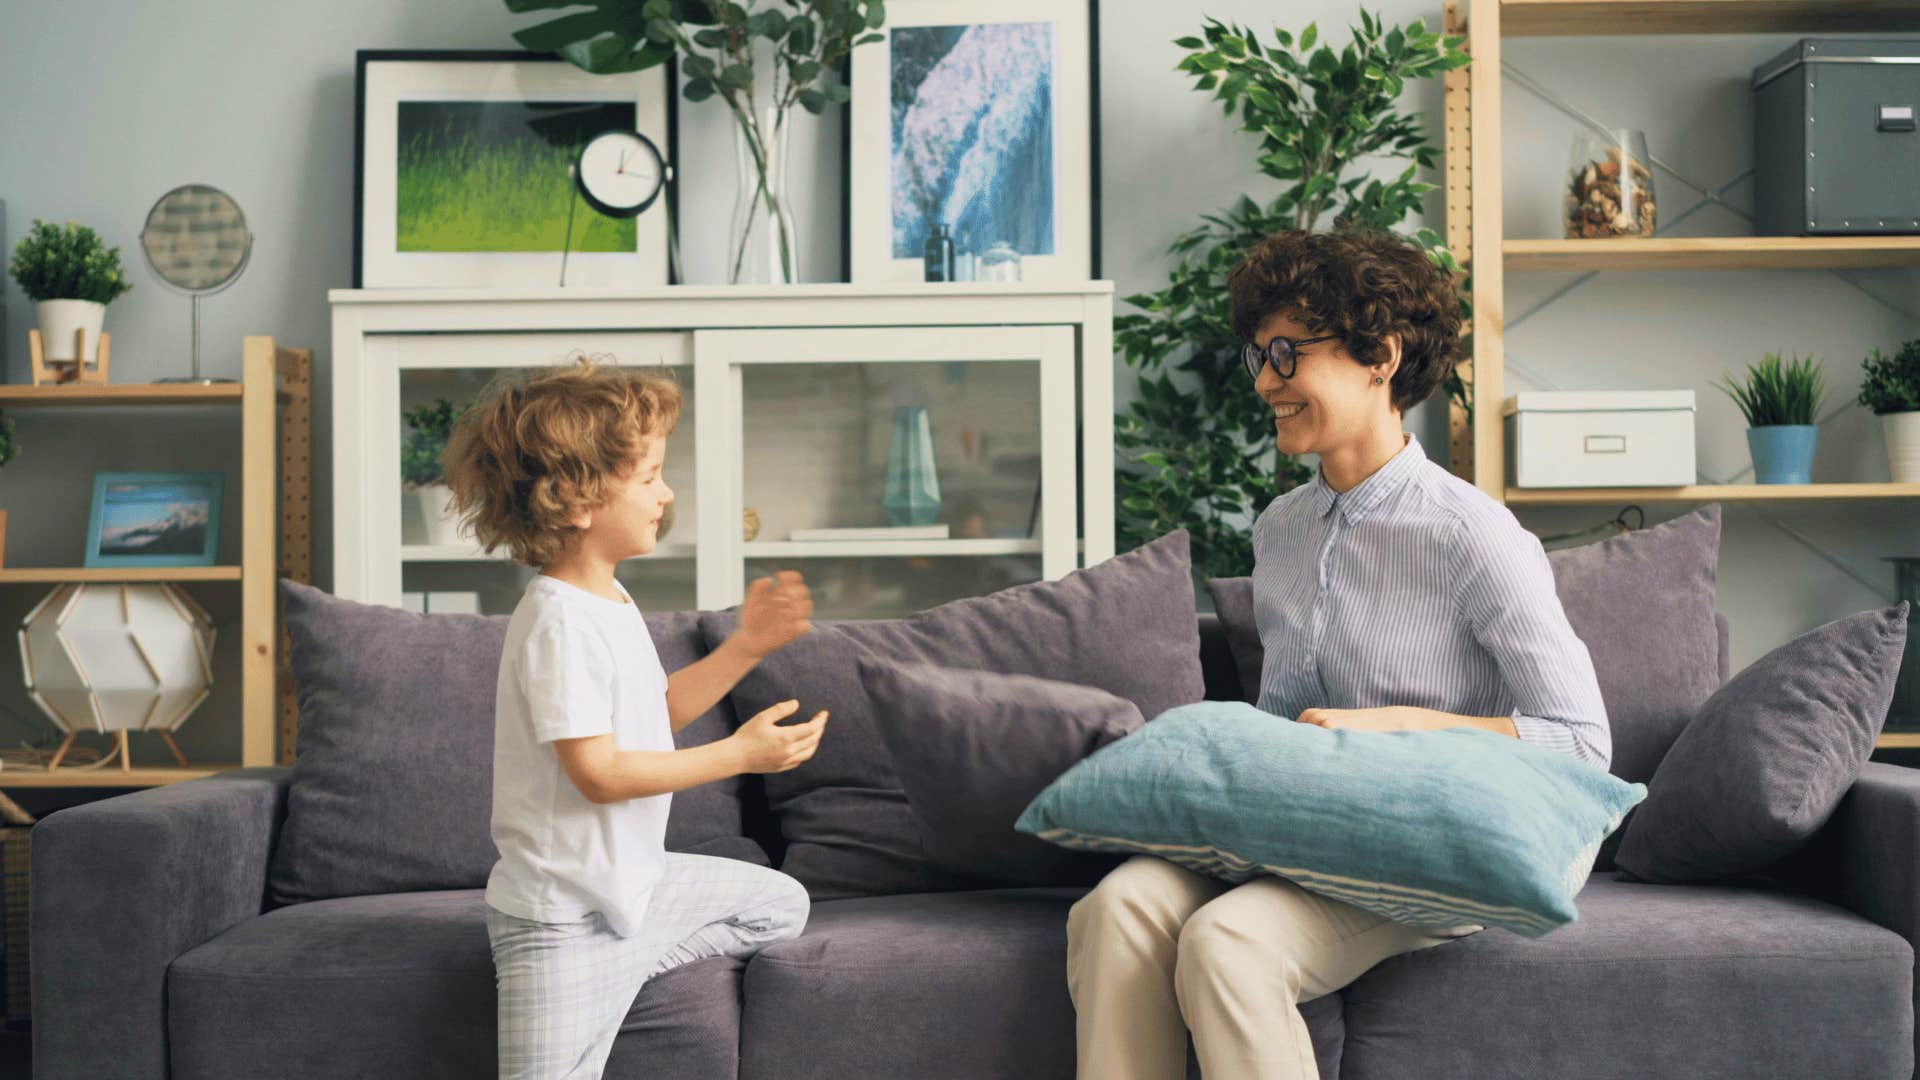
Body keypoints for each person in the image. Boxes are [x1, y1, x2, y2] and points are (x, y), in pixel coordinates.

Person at [1066, 229, 1609, 1080]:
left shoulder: (1472, 534)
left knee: (1228, 942)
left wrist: (1396, 727)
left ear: (1380, 356)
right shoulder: (1280, 530)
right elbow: (1288, 724)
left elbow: (1582, 744)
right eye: (1257, 355)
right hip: (1316, 822)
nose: (1266, 381)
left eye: (1287, 353)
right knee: (1117, 907)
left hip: (1449, 831)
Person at [443, 359, 830, 1079]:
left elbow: (651, 715)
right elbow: (599, 773)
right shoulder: (558, 621)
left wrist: (747, 646)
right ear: (575, 498)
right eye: (649, 476)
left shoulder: (610, 601)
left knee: (780, 903)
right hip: (561, 917)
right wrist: (740, 755)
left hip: (633, 889)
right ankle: (608, 965)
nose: (666, 493)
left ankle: (625, 962)